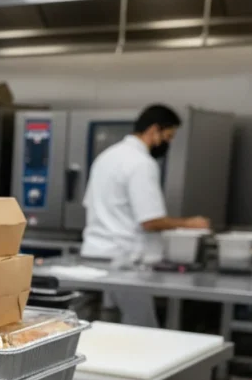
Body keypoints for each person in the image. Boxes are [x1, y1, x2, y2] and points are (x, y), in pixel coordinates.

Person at [80, 104, 210, 327]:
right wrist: (189, 224)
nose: (167, 143)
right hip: (125, 260)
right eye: (168, 137)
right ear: (153, 130)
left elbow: (88, 203)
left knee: (103, 325)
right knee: (141, 329)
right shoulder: (142, 163)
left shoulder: (107, 157)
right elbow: (150, 220)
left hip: (95, 255)